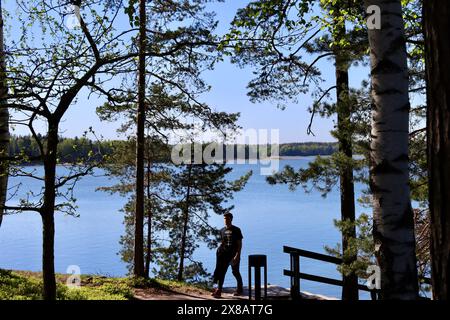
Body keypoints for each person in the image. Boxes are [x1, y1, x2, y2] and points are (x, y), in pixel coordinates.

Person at [211, 212, 243, 298]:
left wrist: (237, 255)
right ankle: (218, 290)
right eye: (224, 219)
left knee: (235, 272)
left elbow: (239, 244)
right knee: (220, 272)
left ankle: (240, 289)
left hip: (233, 255)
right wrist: (219, 249)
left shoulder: (236, 230)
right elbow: (223, 242)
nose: (226, 220)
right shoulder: (222, 230)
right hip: (223, 255)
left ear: (231, 219)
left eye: (227, 219)